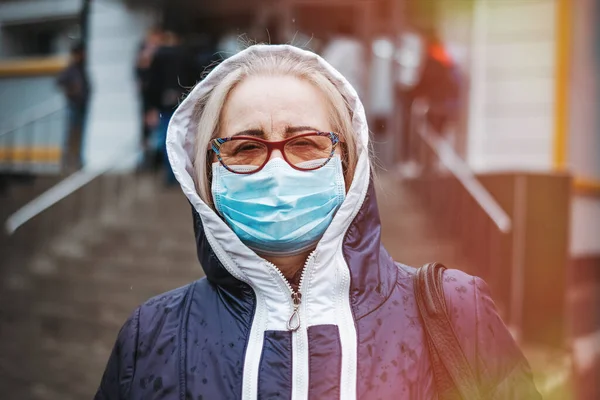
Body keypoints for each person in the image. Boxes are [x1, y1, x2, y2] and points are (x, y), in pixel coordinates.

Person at [95, 44, 540, 399]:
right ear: (207, 174)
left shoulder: (457, 312)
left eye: (306, 143)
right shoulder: (151, 336)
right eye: (245, 148)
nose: (276, 170)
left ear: (350, 162)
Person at [146, 30, 196, 184]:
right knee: (185, 137)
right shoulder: (186, 54)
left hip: (164, 102)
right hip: (184, 99)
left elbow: (152, 82)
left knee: (167, 137)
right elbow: (193, 76)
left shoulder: (159, 55)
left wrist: (151, 106)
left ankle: (171, 174)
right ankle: (185, 174)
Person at [57, 42, 90, 171]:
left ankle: (77, 160)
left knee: (79, 133)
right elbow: (60, 82)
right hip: (74, 105)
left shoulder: (82, 68)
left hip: (82, 106)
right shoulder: (71, 69)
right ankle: (68, 162)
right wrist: (72, 91)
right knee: (72, 134)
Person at [135, 27, 163, 168]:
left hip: (155, 100)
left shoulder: (158, 55)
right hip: (149, 101)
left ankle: (152, 160)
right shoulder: (146, 54)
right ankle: (147, 160)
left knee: (155, 132)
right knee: (149, 132)